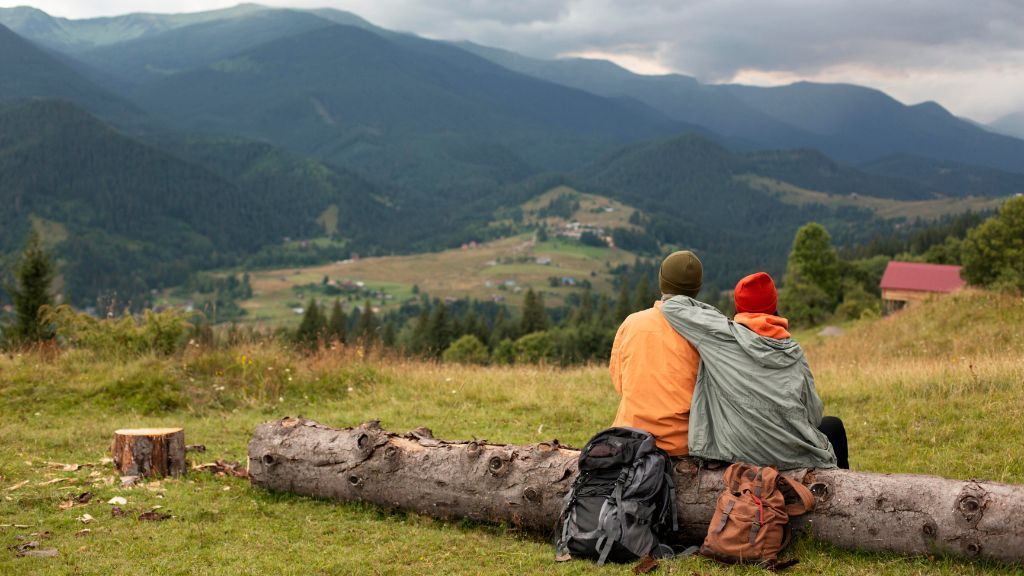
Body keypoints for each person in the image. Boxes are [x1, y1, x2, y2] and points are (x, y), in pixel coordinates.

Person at [660, 272, 847, 469]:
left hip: (733, 453)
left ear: (739, 307)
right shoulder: (794, 353)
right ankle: (845, 489)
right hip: (789, 458)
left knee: (832, 426)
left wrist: (722, 319)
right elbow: (814, 416)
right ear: (774, 306)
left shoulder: (720, 337)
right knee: (833, 425)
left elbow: (672, 306)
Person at [609, 250, 703, 457]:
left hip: (628, 438)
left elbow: (620, 382)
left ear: (662, 281)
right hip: (683, 444)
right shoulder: (706, 330)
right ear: (697, 287)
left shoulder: (632, 323)